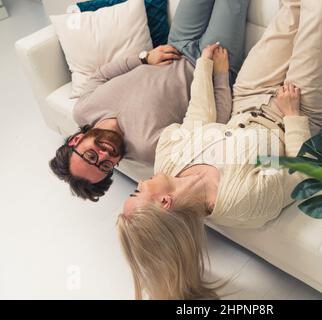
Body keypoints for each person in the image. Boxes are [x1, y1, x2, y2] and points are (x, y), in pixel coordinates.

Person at [117, 0, 322, 300]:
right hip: (296, 110)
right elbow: (299, 173)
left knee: (292, 8)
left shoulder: (167, 161)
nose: (140, 182)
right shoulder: (241, 203)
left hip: (248, 93)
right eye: (138, 193)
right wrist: (292, 117)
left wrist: (204, 67)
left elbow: (197, 115)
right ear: (165, 202)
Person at [49, 0, 250, 201]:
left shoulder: (83, 110)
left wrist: (144, 58)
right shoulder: (149, 149)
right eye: (105, 166)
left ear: (76, 140)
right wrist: (222, 74)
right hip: (212, 63)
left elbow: (101, 75)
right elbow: (212, 127)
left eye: (91, 156)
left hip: (177, 42)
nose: (104, 156)